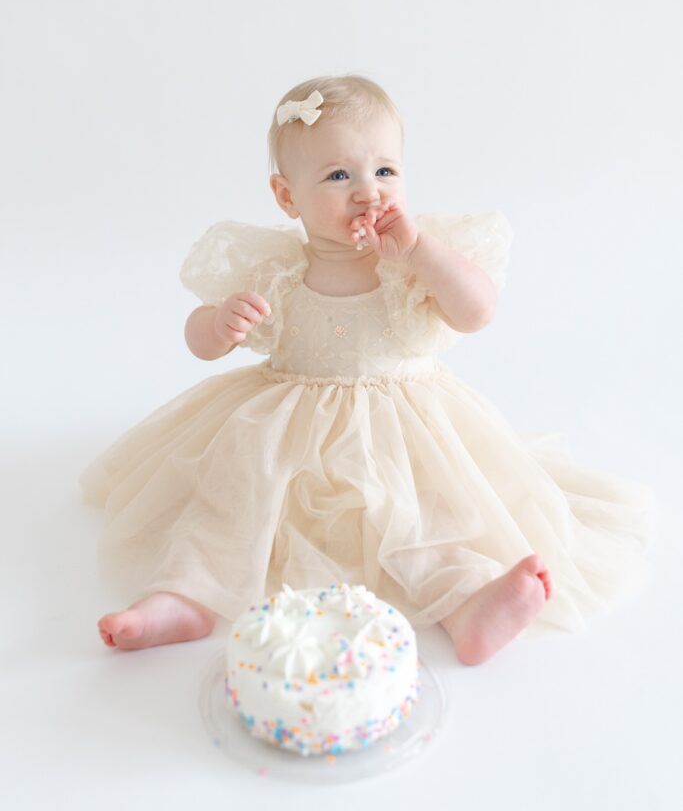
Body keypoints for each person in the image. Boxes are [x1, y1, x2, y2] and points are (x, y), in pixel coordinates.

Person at [80, 74, 656, 665]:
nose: (367, 192)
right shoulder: (276, 268)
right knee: (233, 496)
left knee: (422, 514)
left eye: (385, 172)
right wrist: (220, 324)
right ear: (286, 196)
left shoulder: (413, 259)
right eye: (338, 176)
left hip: (404, 428)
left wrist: (421, 253)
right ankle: (184, 597)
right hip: (285, 428)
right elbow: (199, 340)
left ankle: (468, 606)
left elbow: (477, 311)